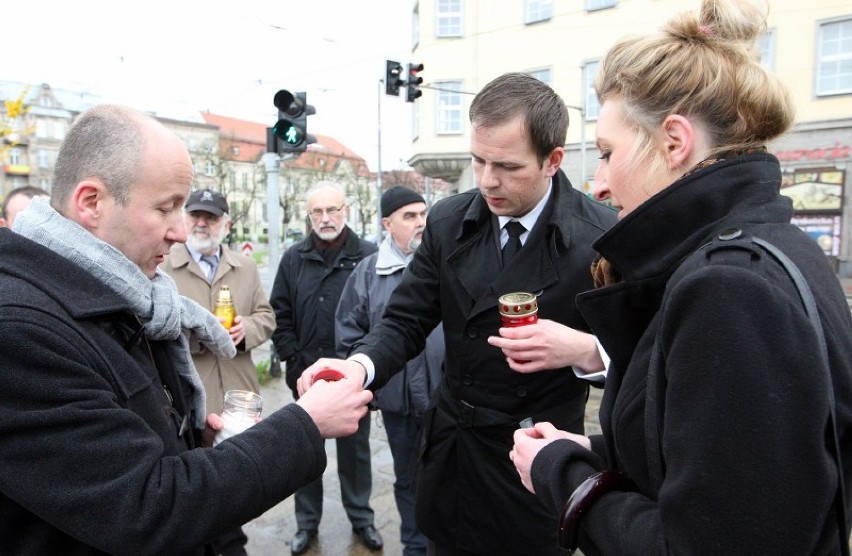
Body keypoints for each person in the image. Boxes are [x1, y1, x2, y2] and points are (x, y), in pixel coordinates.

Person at [509, 1, 852, 553]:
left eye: (605, 153)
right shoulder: (772, 247)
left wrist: (563, 474)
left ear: (673, 141)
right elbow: (722, 467)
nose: (596, 184)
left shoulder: (728, 290)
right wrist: (592, 451)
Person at [0, 104, 372, 555]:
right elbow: (147, 507)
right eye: (166, 208)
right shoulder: (20, 331)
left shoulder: (130, 292)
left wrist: (193, 442)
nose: (180, 230)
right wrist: (305, 424)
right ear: (91, 203)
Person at [296, 73, 618, 554]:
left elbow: (642, 356)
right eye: (478, 160)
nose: (488, 180)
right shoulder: (448, 221)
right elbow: (405, 321)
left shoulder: (600, 236)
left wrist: (587, 350)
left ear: (553, 161)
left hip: (534, 456)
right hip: (455, 449)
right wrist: (357, 367)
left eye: (507, 166)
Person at [269, 181, 383, 555]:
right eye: (317, 211)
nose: (325, 218)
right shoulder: (294, 257)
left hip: (351, 377)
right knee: (304, 450)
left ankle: (362, 518)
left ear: (346, 210)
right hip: (305, 377)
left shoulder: (368, 255)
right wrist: (291, 356)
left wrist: (366, 366)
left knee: (356, 454)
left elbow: (380, 317)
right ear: (308, 215)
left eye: (332, 210)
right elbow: (279, 313)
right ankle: (306, 524)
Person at [161, 188, 276, 555]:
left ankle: (230, 537)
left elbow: (267, 316)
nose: (201, 223)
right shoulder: (165, 265)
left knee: (238, 471)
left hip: (238, 389)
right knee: (194, 474)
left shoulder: (245, 266)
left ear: (225, 223)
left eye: (210, 217)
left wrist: (247, 332)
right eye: (195, 215)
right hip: (188, 390)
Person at [336, 186, 444, 556]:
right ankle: (415, 547)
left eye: (423, 214)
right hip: (400, 406)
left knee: (451, 478)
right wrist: (375, 389)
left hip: (447, 399)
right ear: (387, 223)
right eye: (409, 216)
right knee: (408, 480)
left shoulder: (444, 261)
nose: (420, 223)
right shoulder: (368, 274)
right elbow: (350, 335)